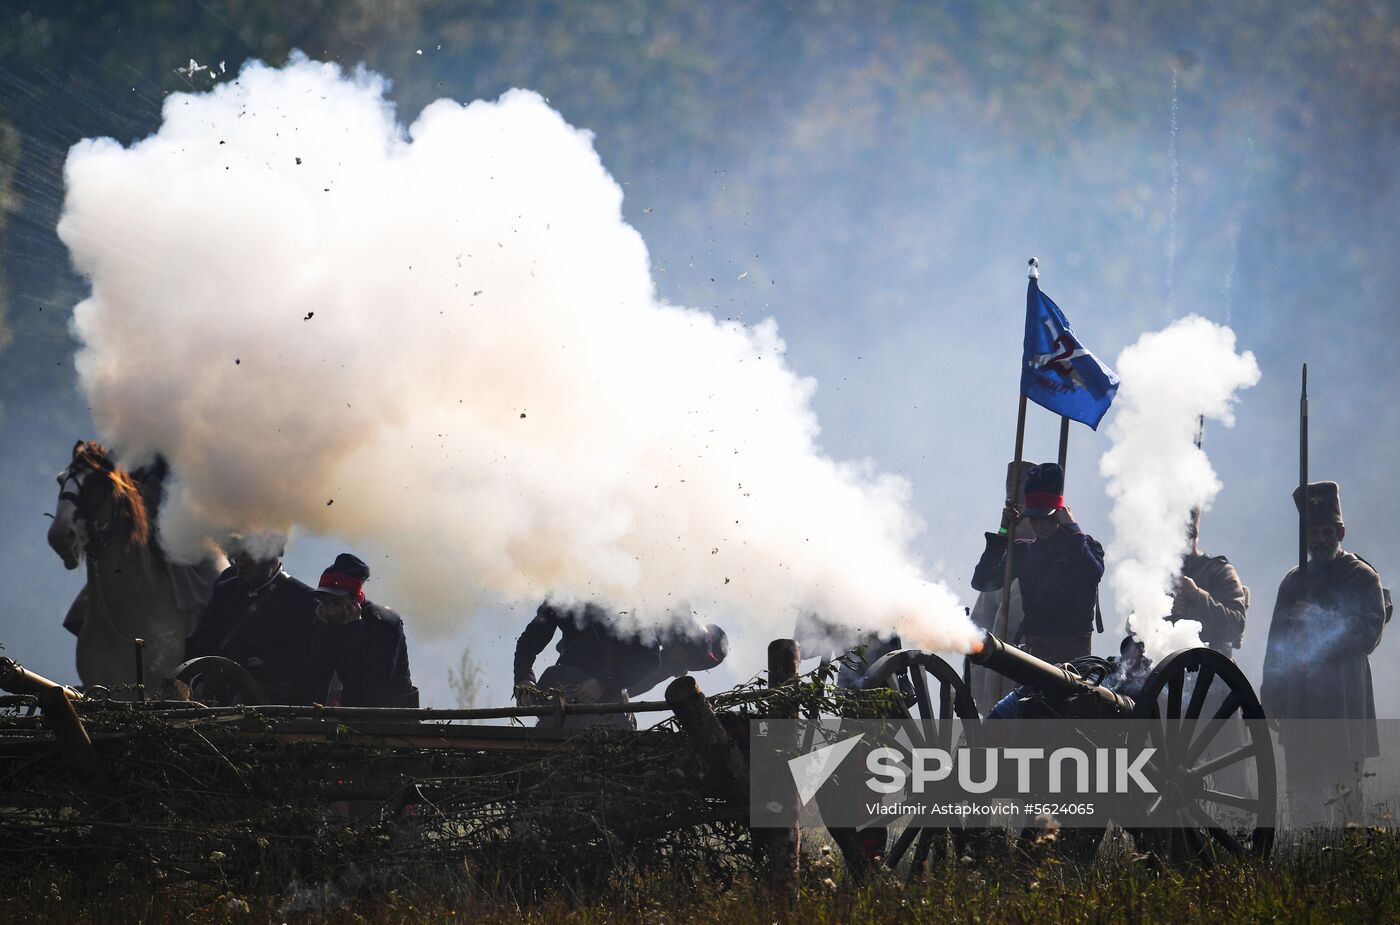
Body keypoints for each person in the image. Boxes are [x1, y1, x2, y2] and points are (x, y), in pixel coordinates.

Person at [1261, 482, 1388, 824]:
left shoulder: (1362, 577)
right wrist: (1271, 696)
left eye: (1325, 530)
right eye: (1313, 532)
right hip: (1301, 704)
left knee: (1345, 798)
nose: (1319, 539)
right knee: (1302, 795)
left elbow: (1369, 632)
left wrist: (1325, 620)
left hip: (1343, 703)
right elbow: (1277, 644)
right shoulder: (1293, 581)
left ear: (1340, 531)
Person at [971, 462, 1105, 664]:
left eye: (1046, 518)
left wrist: (1073, 529)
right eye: (1034, 518)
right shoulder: (1024, 552)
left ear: (1059, 516)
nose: (1039, 524)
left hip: (1076, 658)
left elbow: (1092, 574)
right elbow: (983, 581)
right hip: (1036, 657)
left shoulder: (1085, 546)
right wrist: (1003, 531)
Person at [183, 532, 321, 704]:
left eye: (248, 557)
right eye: (237, 557)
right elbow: (200, 643)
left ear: (271, 556)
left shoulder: (303, 600)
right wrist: (197, 682)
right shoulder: (226, 591)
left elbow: (306, 668)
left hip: (270, 708)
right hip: (217, 701)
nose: (240, 564)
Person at [513, 600, 663, 727]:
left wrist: (603, 681)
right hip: (565, 688)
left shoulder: (627, 599)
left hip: (609, 703)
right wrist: (524, 679)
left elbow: (649, 656)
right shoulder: (562, 593)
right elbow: (529, 642)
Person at [310, 553, 420, 708]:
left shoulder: (384, 623)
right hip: (350, 719)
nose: (332, 611)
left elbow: (371, 684)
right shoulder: (327, 623)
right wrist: (323, 634)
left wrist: (352, 631)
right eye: (325, 603)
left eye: (337, 603)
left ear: (355, 601)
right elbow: (317, 675)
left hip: (394, 723)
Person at [1167, 509, 1249, 654]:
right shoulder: (1162, 573)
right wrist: (1167, 610)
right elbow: (1133, 624)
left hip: (1210, 666)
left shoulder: (1220, 571)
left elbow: (1235, 625)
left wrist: (1196, 595)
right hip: (1166, 664)